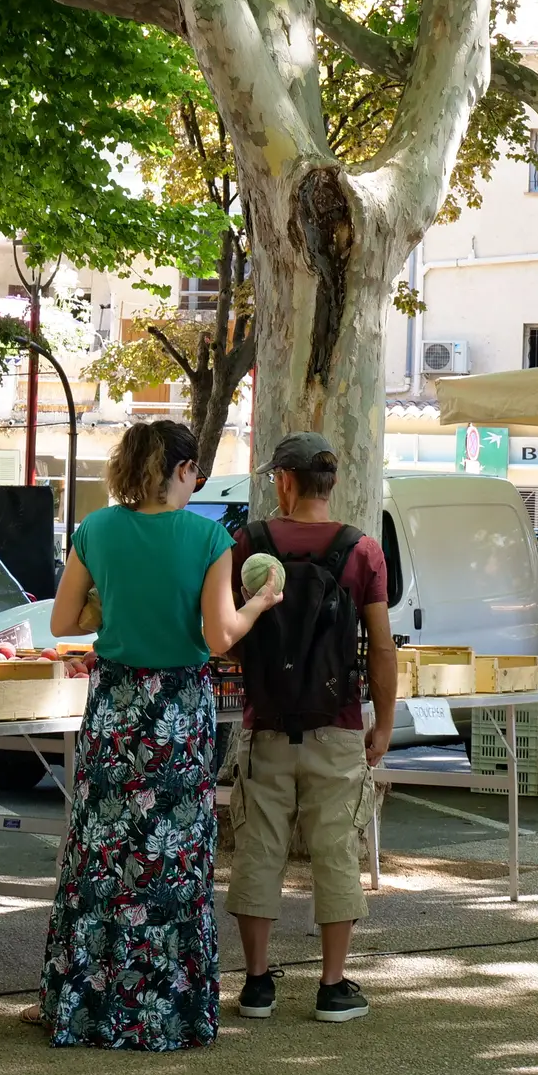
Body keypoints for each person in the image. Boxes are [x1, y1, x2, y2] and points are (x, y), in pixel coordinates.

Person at [35, 420, 281, 1050]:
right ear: (182, 470)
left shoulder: (96, 530)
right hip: (178, 708)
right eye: (195, 470)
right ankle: (166, 1012)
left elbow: (64, 620)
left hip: (116, 704)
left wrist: (108, 605)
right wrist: (260, 604)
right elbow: (221, 637)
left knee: (102, 851)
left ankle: (84, 1008)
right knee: (172, 855)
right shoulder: (207, 538)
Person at [226, 433, 398, 1024]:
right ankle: (332, 985)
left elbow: (228, 637)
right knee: (335, 851)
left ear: (285, 481)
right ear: (331, 481)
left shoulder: (249, 545)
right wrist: (383, 724)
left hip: (266, 722)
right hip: (338, 723)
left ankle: (255, 985)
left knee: (259, 847)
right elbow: (380, 648)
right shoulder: (361, 551)